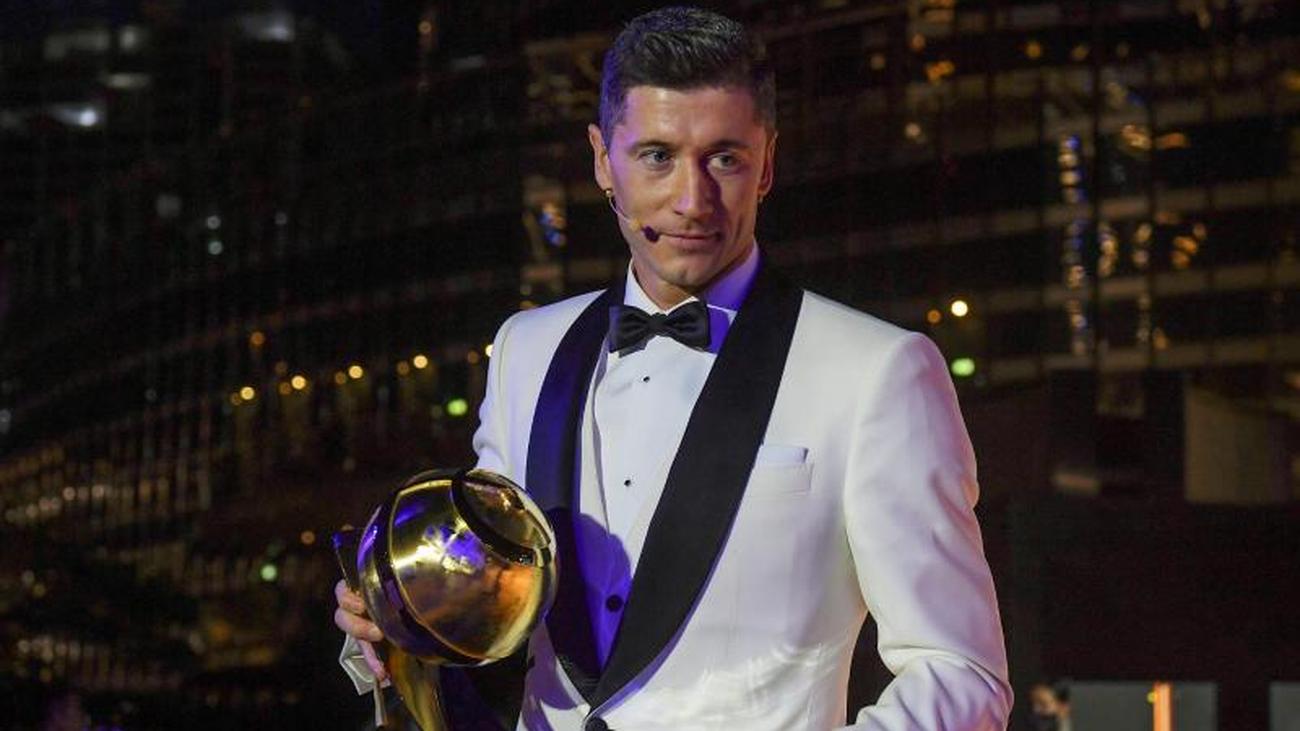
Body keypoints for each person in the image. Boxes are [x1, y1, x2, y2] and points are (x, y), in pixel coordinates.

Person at [336, 6, 1012, 729]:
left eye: (725, 158)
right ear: (603, 160)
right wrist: (394, 614)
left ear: (767, 163)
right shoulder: (526, 349)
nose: (692, 201)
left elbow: (961, 672)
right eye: (657, 156)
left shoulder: (878, 371)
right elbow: (484, 600)